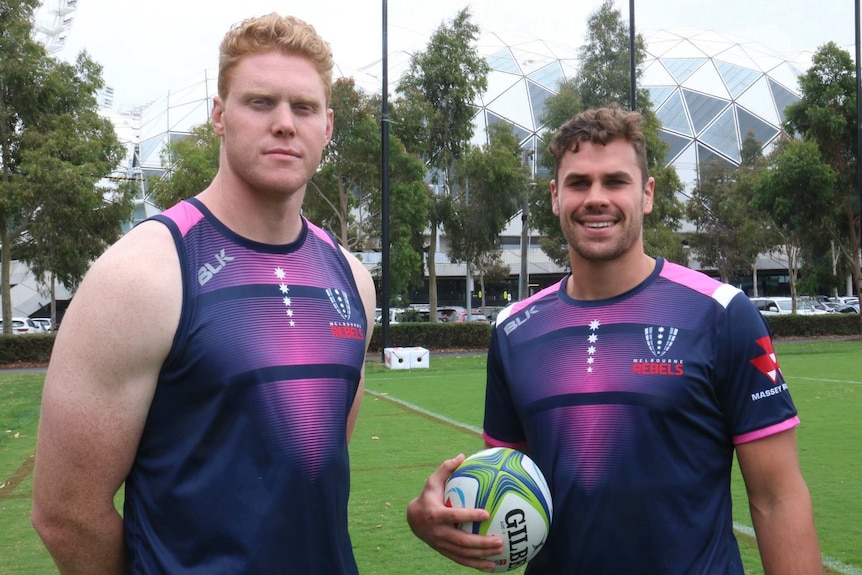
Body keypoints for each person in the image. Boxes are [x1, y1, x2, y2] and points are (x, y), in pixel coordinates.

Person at [407, 105, 822, 574]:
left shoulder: (722, 314)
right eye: (579, 183)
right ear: (554, 197)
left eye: (615, 182)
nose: (596, 198)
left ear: (646, 194)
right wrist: (436, 519)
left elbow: (777, 497)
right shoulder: (513, 330)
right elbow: (508, 485)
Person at [31, 13, 375, 575]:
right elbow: (66, 515)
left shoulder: (352, 279)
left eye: (304, 107)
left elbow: (313, 468)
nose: (285, 124)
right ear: (219, 115)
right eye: (260, 103)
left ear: (328, 125)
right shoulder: (142, 275)